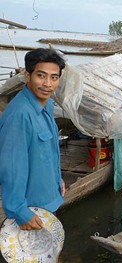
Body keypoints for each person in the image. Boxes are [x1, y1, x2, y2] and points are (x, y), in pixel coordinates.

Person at [0, 48, 66, 230]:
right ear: (28, 76)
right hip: (30, 211)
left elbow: (47, 153)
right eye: (41, 76)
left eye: (54, 77)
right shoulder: (20, 114)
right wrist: (20, 211)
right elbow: (11, 168)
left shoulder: (47, 106)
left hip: (49, 201)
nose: (48, 84)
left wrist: (57, 179)